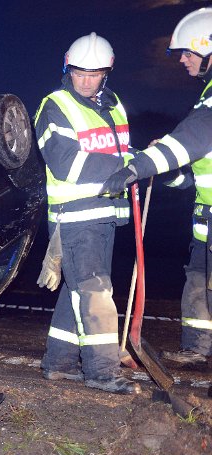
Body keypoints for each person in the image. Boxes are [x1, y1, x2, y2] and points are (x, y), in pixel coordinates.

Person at [101, 7, 212, 368]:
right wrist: (165, 174)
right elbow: (195, 171)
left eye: (188, 52)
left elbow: (189, 140)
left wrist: (140, 166)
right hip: (206, 220)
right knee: (198, 281)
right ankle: (198, 348)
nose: (181, 59)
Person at [34, 32, 140, 394]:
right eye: (78, 73)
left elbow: (117, 152)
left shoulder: (114, 106)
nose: (85, 81)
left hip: (106, 213)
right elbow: (65, 162)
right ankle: (102, 371)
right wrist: (128, 165)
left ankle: (59, 363)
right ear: (67, 68)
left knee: (77, 288)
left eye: (93, 74)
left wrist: (138, 158)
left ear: (106, 74)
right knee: (94, 292)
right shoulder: (54, 106)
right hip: (75, 216)